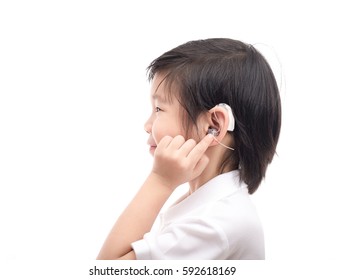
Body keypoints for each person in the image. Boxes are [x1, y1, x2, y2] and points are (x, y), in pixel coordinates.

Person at [97, 38, 281, 260]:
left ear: (214, 125)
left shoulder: (213, 224)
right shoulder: (213, 206)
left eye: (159, 108)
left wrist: (160, 181)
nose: (147, 126)